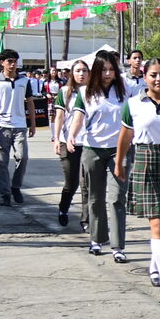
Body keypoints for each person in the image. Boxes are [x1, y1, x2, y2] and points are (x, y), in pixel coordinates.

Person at [115, 58, 160, 295]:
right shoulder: (133, 103)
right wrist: (120, 162)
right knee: (156, 220)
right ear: (145, 77)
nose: (158, 79)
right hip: (145, 160)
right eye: (153, 74)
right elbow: (126, 134)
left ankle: (155, 265)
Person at [65, 53, 128, 260]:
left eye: (111, 69)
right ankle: (96, 239)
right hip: (93, 149)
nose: (108, 74)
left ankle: (118, 247)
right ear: (97, 71)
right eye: (104, 70)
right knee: (95, 197)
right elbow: (78, 117)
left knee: (117, 197)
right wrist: (71, 136)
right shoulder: (85, 92)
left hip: (118, 150)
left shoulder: (125, 90)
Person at [0, 48, 40, 206]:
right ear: (2, 63)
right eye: (9, 61)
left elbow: (30, 102)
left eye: (15, 61)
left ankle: (16, 186)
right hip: (2, 126)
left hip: (20, 125)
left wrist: (33, 124)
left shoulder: (24, 81)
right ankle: (5, 194)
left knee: (23, 158)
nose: (13, 64)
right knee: (1, 162)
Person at [52, 61, 89, 229]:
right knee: (71, 183)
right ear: (72, 74)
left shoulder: (94, 92)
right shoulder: (65, 92)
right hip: (68, 143)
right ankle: (63, 209)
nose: (81, 74)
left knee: (86, 184)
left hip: (88, 143)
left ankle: (86, 220)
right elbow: (59, 117)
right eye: (78, 71)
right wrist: (57, 139)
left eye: (84, 71)